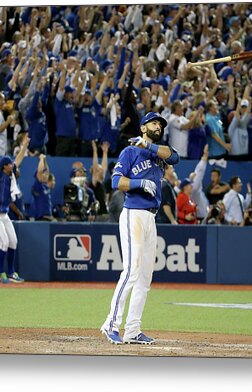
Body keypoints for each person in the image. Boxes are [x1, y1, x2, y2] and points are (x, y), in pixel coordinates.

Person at [100, 111, 180, 345]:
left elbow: (174, 157)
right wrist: (138, 183)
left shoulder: (157, 153)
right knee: (132, 270)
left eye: (160, 124)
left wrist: (149, 145)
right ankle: (111, 324)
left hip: (151, 218)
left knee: (145, 277)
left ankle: (133, 329)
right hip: (133, 213)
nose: (159, 127)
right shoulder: (130, 151)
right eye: (154, 123)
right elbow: (116, 182)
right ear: (143, 127)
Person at [0, 134, 28, 283]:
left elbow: (19, 159)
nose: (12, 165)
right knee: (4, 242)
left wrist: (24, 146)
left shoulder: (10, 175)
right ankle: (0, 272)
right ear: (5, 166)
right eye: (9, 164)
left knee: (13, 242)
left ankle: (11, 272)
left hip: (4, 214)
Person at [31, 154, 55, 221]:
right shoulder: (37, 186)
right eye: (44, 174)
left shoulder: (45, 187)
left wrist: (45, 160)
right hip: (41, 219)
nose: (46, 175)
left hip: (48, 218)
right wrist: (41, 159)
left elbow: (47, 170)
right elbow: (40, 171)